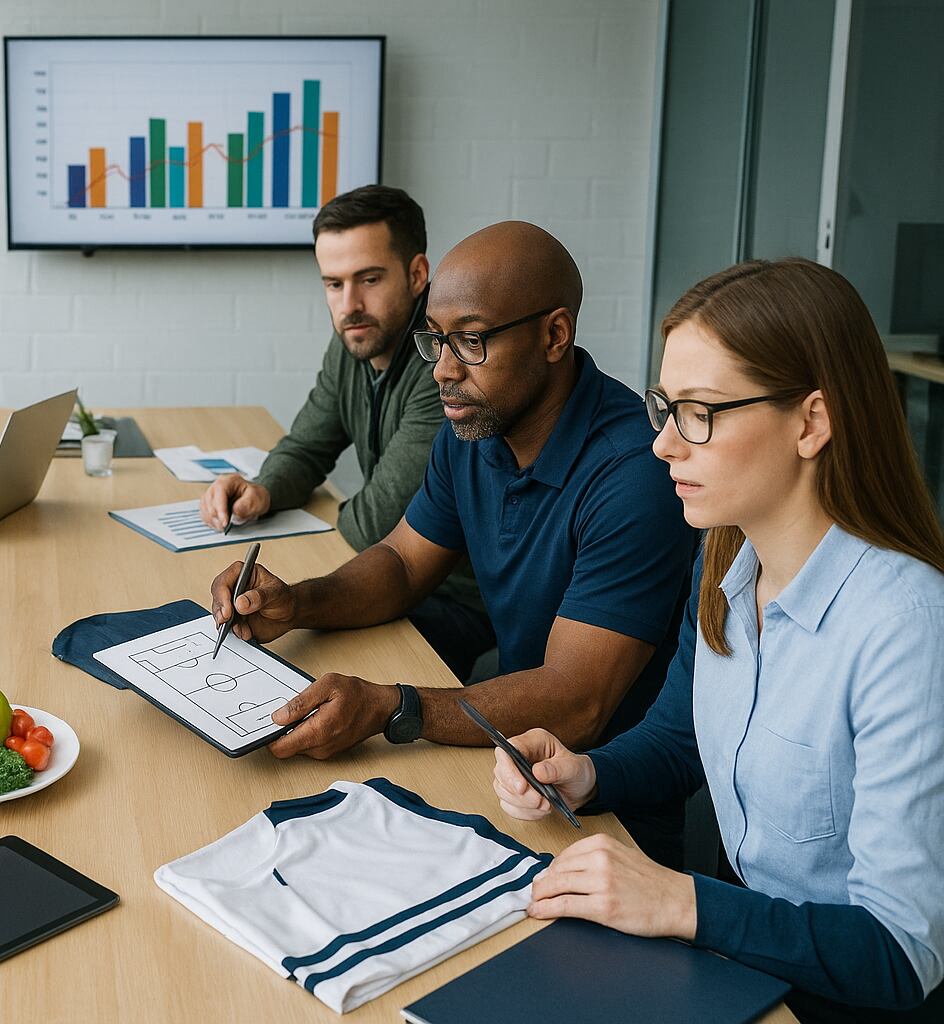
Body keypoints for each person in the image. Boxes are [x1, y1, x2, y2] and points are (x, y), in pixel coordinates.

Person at [492, 258, 944, 1022]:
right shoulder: (728, 552)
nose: (664, 444)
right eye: (664, 407)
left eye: (700, 413)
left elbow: (900, 955)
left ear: (811, 422)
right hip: (742, 960)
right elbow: (679, 736)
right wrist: (587, 775)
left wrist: (682, 901)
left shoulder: (907, 629)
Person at [210, 221, 697, 860]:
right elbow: (402, 564)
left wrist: (393, 707)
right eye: (435, 341)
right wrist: (296, 603)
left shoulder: (634, 472)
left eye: (470, 341)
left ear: (555, 335)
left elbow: (578, 703)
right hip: (510, 766)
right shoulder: (476, 427)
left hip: (604, 813)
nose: (442, 370)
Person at [196, 185, 488, 680]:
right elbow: (309, 443)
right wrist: (264, 488)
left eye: (369, 279)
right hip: (388, 571)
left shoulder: (443, 361)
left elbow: (374, 522)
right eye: (333, 284)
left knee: (300, 670)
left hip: (451, 596)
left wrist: (338, 518)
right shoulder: (356, 340)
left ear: (418, 275)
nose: (349, 304)